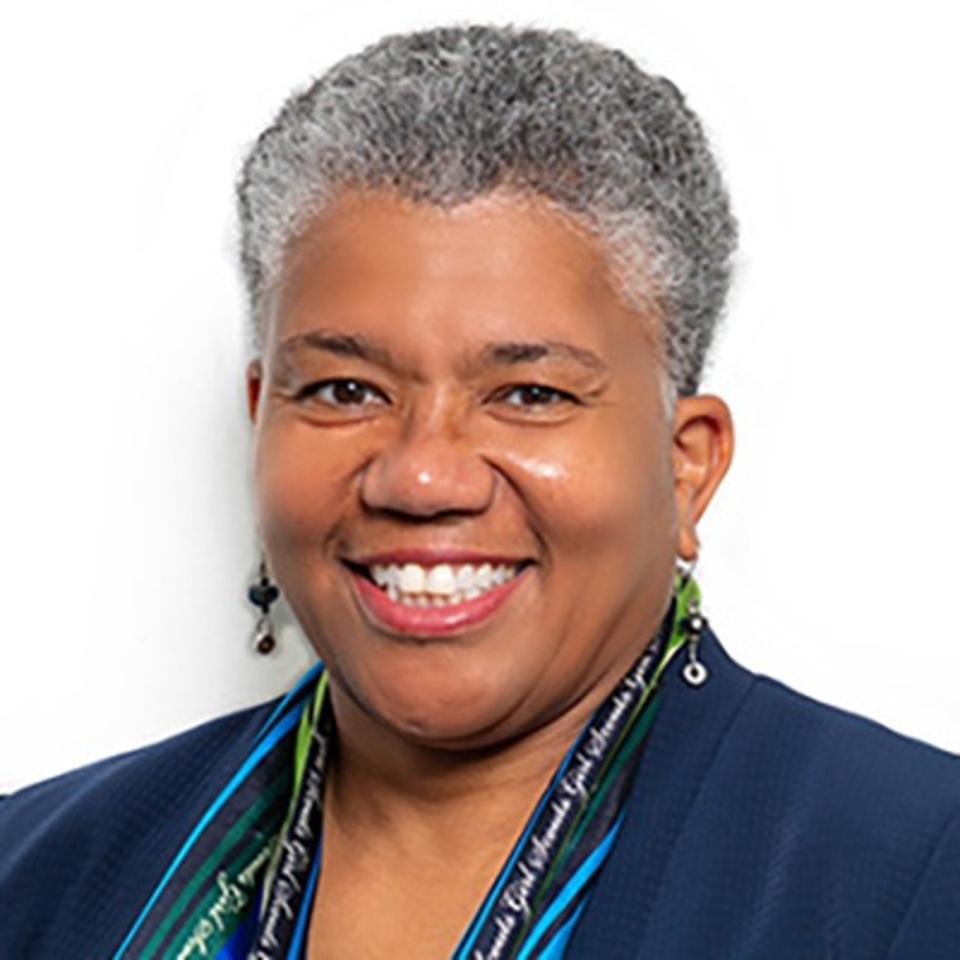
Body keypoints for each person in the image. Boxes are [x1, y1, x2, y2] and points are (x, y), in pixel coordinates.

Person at [2, 22, 958, 960]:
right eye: (345, 391)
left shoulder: (919, 876)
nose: (422, 477)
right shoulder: (32, 878)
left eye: (530, 395)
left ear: (687, 463)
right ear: (263, 419)